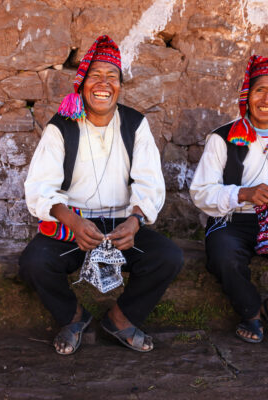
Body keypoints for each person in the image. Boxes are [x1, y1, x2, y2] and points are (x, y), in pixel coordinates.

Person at [19, 35, 183, 355]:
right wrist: (72, 221)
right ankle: (73, 318)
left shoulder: (134, 124)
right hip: (74, 226)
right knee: (34, 263)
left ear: (120, 86)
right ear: (81, 84)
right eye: (95, 75)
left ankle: (120, 319)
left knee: (167, 257)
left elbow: (149, 183)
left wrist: (135, 221)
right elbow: (39, 187)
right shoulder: (62, 127)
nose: (104, 83)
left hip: (121, 225)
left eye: (112, 76)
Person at [190, 55, 268, 344]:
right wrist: (242, 194)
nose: (265, 98)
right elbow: (200, 192)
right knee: (224, 254)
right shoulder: (222, 138)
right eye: (260, 89)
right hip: (233, 219)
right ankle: (251, 312)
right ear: (248, 94)